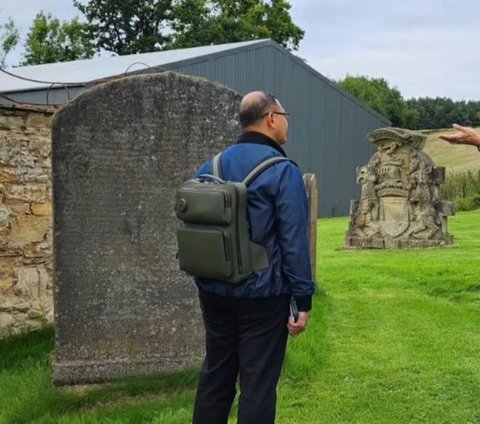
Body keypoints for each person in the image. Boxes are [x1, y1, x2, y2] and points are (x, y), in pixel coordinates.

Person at [192, 91, 315, 424]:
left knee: (215, 376)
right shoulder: (283, 170)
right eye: (285, 114)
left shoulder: (210, 165)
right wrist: (302, 299)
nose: (287, 121)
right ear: (271, 118)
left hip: (213, 290)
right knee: (258, 385)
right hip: (263, 296)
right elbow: (293, 241)